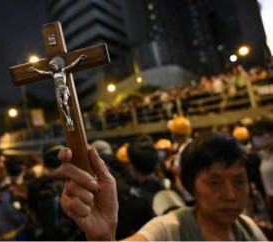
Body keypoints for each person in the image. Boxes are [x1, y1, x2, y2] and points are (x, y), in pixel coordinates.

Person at [58, 132, 267, 240]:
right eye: (214, 182)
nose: (230, 195)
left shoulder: (248, 229)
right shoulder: (169, 230)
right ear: (190, 184)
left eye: (239, 181)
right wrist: (103, 236)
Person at [28, 54, 87, 128]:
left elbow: (72, 65)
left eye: (53, 66)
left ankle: (69, 118)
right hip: (58, 89)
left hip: (64, 88)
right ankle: (67, 119)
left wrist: (79, 58)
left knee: (65, 104)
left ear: (57, 65)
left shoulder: (63, 70)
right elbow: (42, 72)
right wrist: (34, 69)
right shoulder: (52, 73)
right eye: (51, 67)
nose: (53, 68)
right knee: (61, 106)